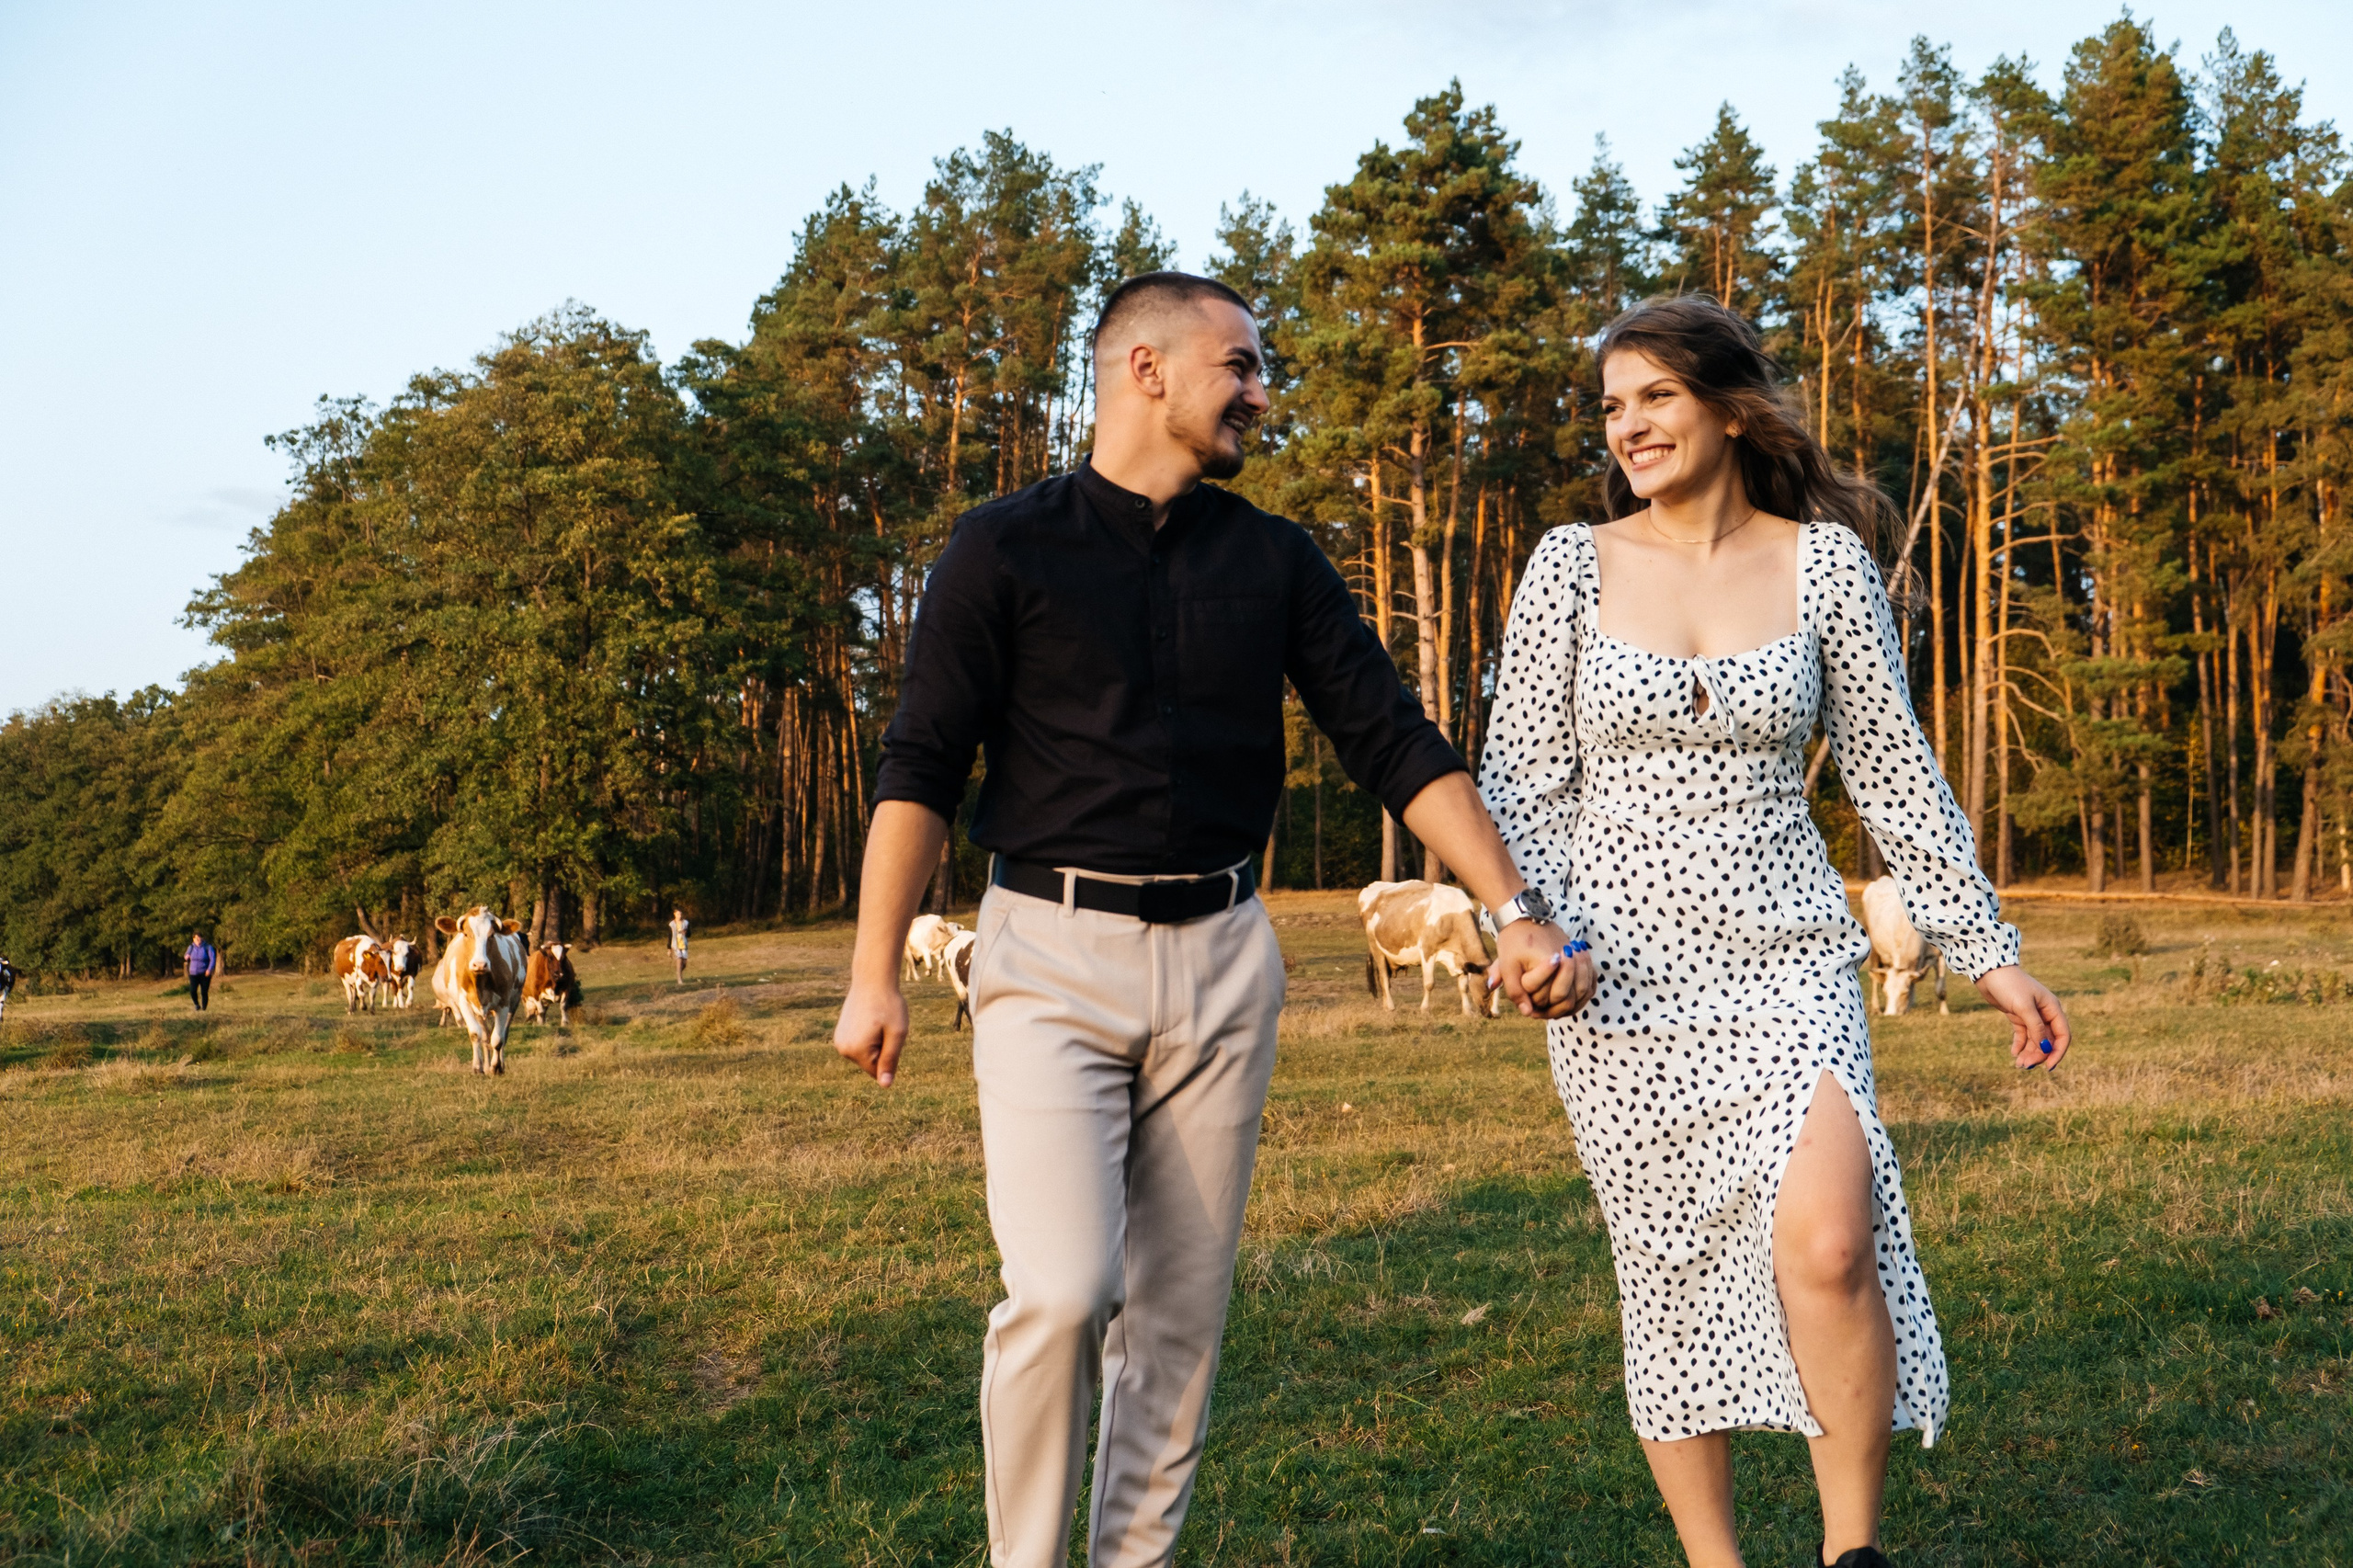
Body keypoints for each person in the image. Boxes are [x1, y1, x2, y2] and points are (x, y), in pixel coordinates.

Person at [834, 270, 1578, 1568]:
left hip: (1226, 960)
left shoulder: (1273, 557)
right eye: (1239, 364)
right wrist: (874, 973)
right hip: (1049, 952)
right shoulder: (1000, 547)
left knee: (1177, 1321)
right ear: (1147, 370)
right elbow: (919, 763)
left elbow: (1391, 739)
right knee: (1065, 1293)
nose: (1259, 390)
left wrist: (1512, 907)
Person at [1479, 295, 2072, 1568]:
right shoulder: (1568, 565)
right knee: (1672, 1264)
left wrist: (1986, 949)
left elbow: (1892, 770)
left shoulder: (1825, 566)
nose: (1627, 425)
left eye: (1653, 397)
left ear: (1731, 407)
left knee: (1829, 1237)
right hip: (1615, 977)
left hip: (1788, 956)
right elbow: (1520, 782)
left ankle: (1850, 1552)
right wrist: (1533, 933)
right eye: (1612, 406)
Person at [184, 931, 219, 1012]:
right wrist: (187, 956)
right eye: (196, 938)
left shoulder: (207, 947)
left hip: (204, 973)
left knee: (204, 992)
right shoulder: (191, 947)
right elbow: (186, 955)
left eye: (199, 937)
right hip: (193, 973)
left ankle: (204, 1008)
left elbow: (212, 959)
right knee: (192, 991)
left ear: (202, 938)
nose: (198, 939)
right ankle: (196, 1004)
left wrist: (209, 969)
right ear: (193, 939)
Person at [667, 908, 689, 983]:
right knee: (679, 960)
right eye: (678, 914)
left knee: (684, 963)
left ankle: (679, 972)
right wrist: (669, 949)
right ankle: (679, 979)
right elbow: (670, 936)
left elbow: (689, 934)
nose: (679, 916)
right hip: (675, 945)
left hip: (684, 945)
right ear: (674, 914)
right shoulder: (672, 924)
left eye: (680, 914)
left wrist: (685, 933)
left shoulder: (686, 923)